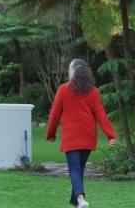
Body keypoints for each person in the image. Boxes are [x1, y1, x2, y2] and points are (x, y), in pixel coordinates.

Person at [46, 58, 117, 208]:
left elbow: (54, 114)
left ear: (75, 72)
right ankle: (76, 204)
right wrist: (111, 136)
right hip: (88, 137)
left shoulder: (63, 89)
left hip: (71, 137)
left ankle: (80, 198)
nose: (68, 72)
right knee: (78, 171)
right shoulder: (93, 92)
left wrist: (51, 134)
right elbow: (101, 115)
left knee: (75, 170)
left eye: (69, 69)